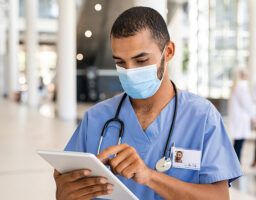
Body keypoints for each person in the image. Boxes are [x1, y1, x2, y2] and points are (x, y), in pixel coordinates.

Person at [53, 7, 242, 200]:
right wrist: (64, 193)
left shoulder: (202, 117)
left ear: (168, 52)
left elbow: (219, 197)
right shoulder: (96, 118)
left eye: (141, 60)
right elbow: (68, 187)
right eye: (120, 62)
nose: (129, 71)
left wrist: (150, 177)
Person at [227, 69, 255, 163]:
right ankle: (236, 165)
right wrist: (253, 116)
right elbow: (246, 103)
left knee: (237, 143)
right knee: (239, 144)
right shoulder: (241, 87)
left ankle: (236, 164)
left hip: (239, 120)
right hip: (241, 120)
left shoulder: (237, 86)